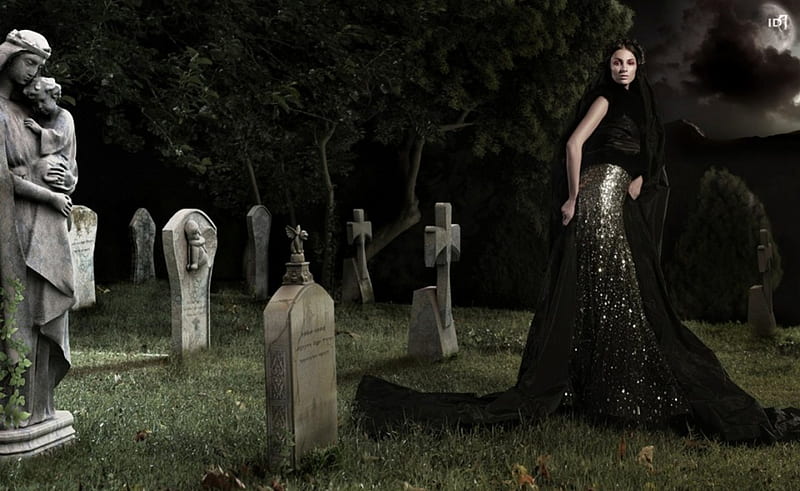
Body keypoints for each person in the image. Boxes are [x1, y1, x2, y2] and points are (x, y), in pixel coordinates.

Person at [354, 39, 800, 443]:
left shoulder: (638, 103)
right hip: (598, 194)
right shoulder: (607, 99)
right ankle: (617, 394)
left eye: (628, 62)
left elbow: (644, 152)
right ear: (607, 68)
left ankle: (612, 389)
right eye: (615, 62)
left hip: (616, 189)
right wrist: (572, 198)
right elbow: (573, 146)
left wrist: (641, 175)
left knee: (612, 289)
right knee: (615, 288)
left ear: (638, 66)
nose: (622, 68)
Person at [0, 29, 76, 428]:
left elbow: (65, 164)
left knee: (45, 315)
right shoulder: (0, 113)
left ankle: (41, 407)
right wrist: (46, 194)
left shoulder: (32, 115)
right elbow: (5, 180)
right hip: (16, 228)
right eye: (29, 63)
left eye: (40, 68)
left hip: (47, 226)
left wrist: (65, 180)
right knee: (21, 315)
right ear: (8, 57)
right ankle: (16, 410)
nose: (33, 75)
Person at [22, 75, 78, 195]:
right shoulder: (40, 117)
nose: (39, 107)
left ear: (54, 96)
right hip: (47, 156)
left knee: (43, 168)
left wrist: (40, 131)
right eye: (36, 103)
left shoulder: (64, 116)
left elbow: (60, 138)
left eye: (42, 101)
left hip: (61, 160)